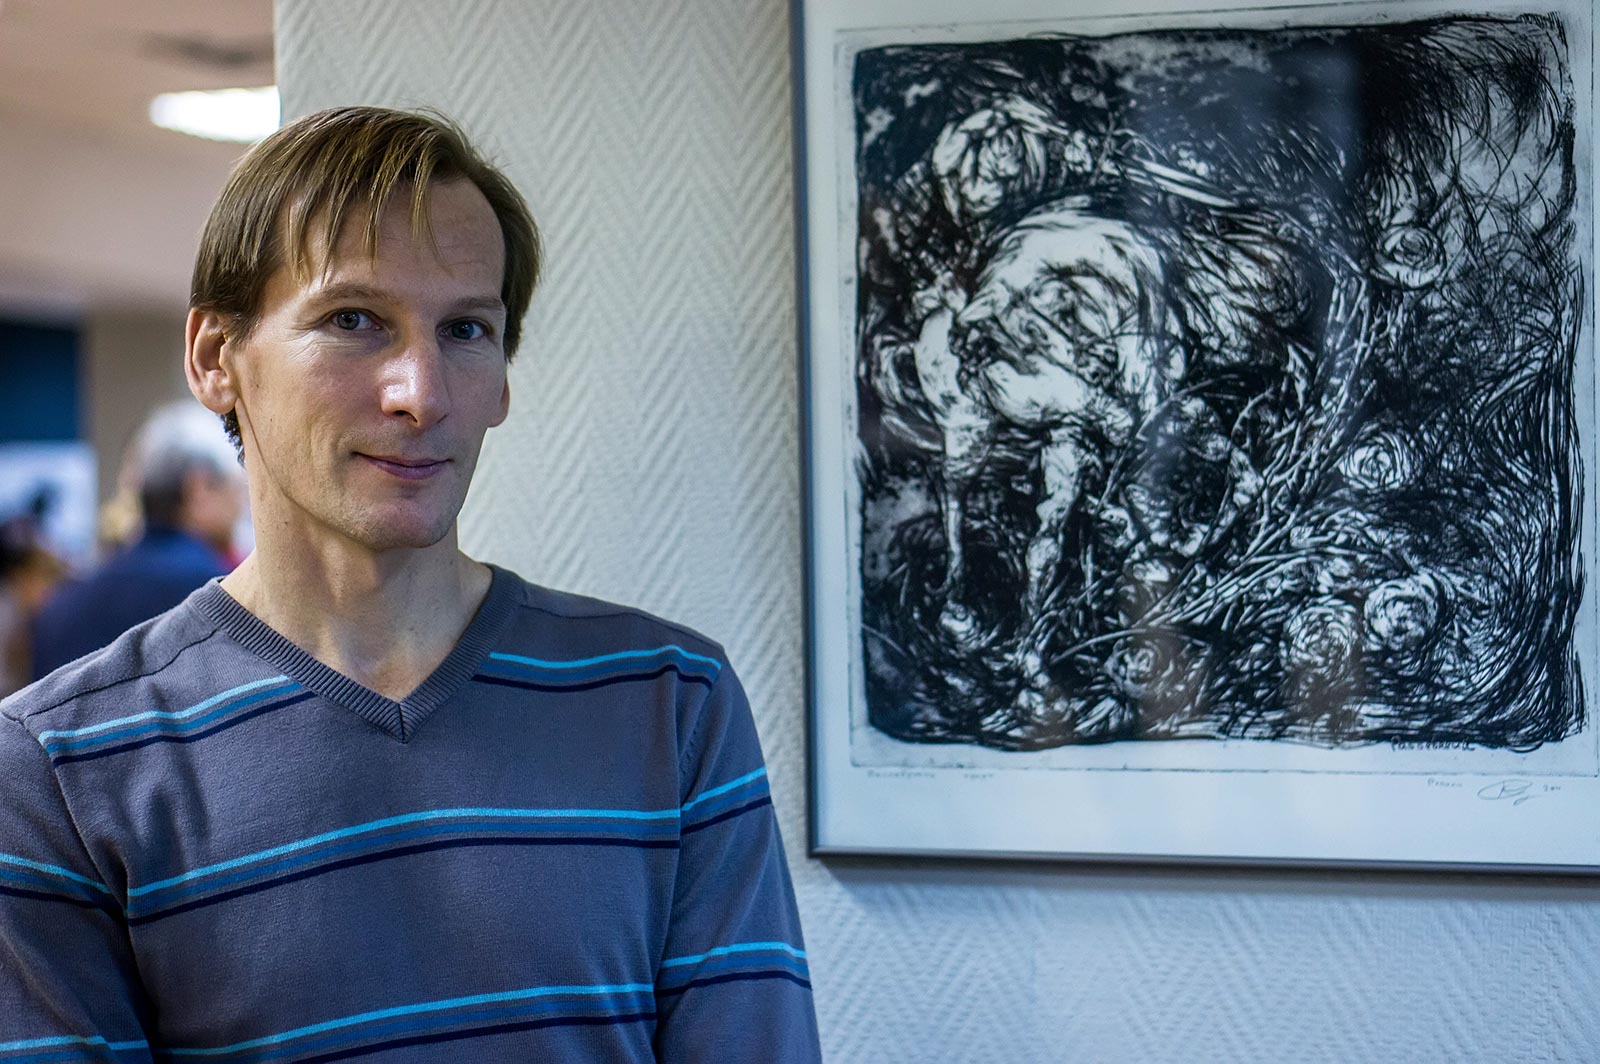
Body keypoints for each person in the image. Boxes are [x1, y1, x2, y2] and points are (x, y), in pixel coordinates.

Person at [0, 106, 819, 1062]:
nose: (420, 394)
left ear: (503, 378)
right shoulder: (60, 767)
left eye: (466, 329)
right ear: (217, 359)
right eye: (353, 320)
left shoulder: (668, 700)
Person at [29, 401, 246, 676]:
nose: (241, 506)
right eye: (235, 488)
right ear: (199, 488)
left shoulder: (62, 605)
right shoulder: (219, 594)